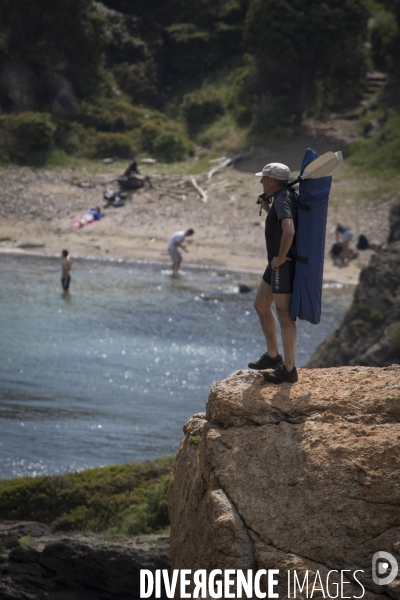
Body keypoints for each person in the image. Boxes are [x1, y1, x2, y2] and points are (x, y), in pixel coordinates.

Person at [248, 163, 298, 384]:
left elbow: (289, 230)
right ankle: (272, 356)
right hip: (275, 265)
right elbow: (280, 224)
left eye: (263, 178)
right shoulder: (281, 198)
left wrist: (280, 257)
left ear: (271, 181)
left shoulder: (283, 198)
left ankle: (289, 369)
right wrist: (267, 208)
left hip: (282, 265)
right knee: (260, 305)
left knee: (284, 315)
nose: (261, 182)